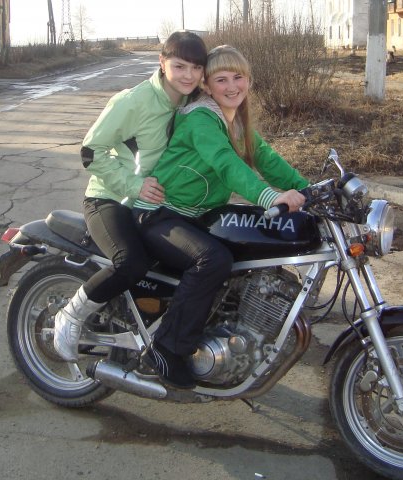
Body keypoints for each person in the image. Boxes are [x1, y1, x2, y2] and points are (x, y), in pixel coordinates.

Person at [132, 45, 309, 389]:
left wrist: (308, 188)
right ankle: (166, 348)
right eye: (221, 79)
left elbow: (265, 157)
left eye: (237, 77)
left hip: (193, 216)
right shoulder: (201, 118)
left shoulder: (235, 121)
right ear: (207, 86)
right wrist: (269, 197)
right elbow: (226, 164)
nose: (231, 86)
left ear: (249, 81)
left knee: (247, 249)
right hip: (159, 214)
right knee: (213, 260)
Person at [53, 31, 207, 362]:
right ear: (162, 63)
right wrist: (133, 186)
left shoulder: (190, 103)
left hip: (153, 206)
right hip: (109, 200)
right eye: (180, 66)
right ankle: (70, 315)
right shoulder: (133, 101)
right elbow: (90, 151)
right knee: (132, 262)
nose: (188, 75)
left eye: (196, 68)